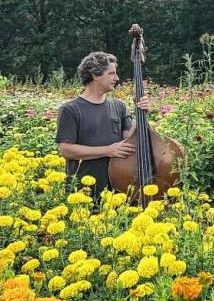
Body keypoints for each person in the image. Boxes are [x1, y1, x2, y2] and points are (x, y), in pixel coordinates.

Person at [56, 52, 151, 200]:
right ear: (95, 75)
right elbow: (66, 149)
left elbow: (130, 138)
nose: (117, 78)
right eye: (111, 74)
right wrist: (108, 150)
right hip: (84, 191)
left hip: (119, 188)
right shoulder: (71, 109)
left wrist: (141, 113)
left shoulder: (119, 106)